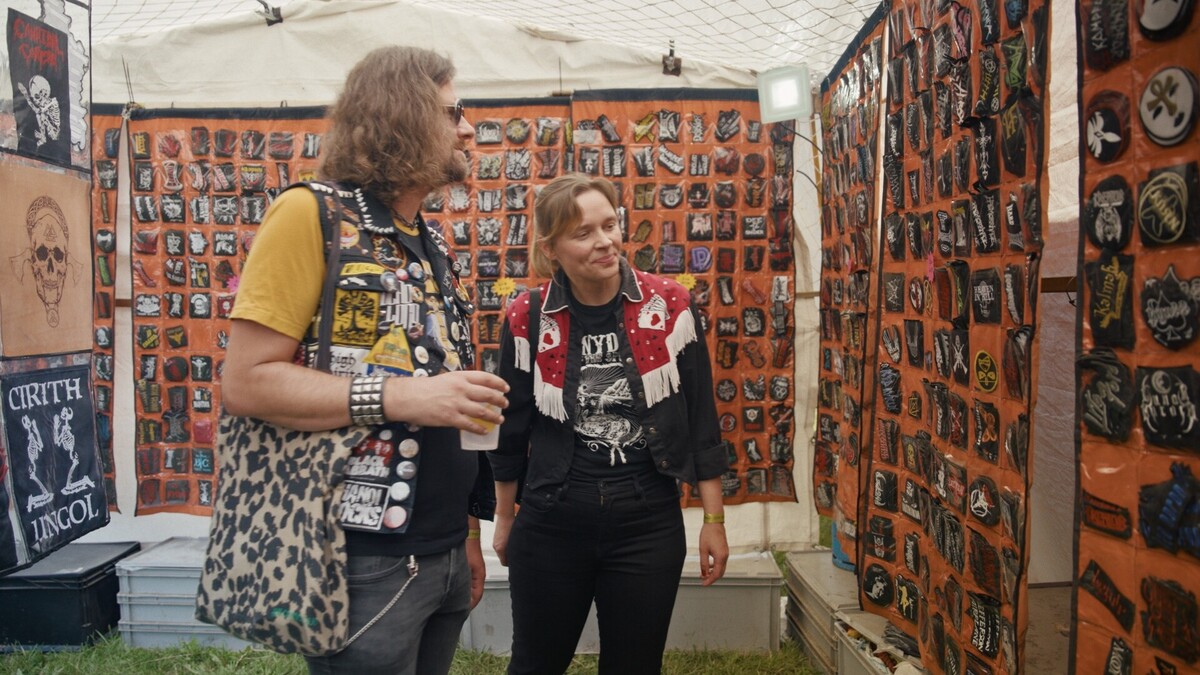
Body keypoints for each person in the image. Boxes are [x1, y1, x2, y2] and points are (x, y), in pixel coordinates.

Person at [221, 46, 509, 675]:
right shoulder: (309, 213)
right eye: (452, 112)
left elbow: (445, 396)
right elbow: (245, 382)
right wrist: (401, 396)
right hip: (359, 555)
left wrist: (466, 536)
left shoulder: (430, 240)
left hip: (441, 549)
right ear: (402, 114)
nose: (468, 129)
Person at [489, 174, 730, 674]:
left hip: (647, 521)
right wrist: (505, 517)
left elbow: (701, 420)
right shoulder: (528, 315)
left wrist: (714, 522)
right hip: (552, 517)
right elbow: (510, 431)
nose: (605, 241)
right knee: (535, 663)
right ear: (551, 248)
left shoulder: (670, 306)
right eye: (583, 233)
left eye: (610, 224)